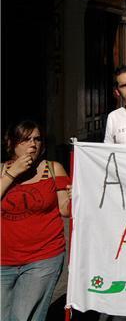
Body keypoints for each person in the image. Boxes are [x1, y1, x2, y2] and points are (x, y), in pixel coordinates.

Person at [1, 120, 72, 321]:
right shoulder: (1, 171)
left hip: (42, 257)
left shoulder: (52, 168)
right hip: (3, 260)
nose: (33, 144)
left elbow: (65, 210)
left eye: (37, 139)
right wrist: (12, 173)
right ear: (12, 143)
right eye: (26, 139)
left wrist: (73, 198)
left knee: (22, 317)